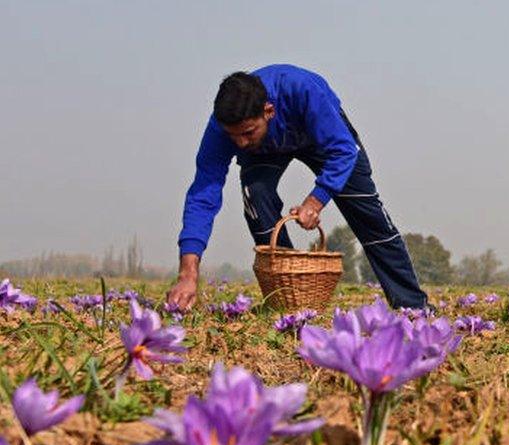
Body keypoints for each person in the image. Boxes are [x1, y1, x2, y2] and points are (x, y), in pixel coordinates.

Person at [165, 65, 428, 310]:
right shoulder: (221, 130)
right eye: (233, 136)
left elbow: (344, 151)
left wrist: (315, 201)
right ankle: (288, 302)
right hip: (266, 150)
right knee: (255, 196)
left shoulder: (304, 91)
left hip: (326, 142)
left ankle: (412, 306)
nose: (240, 143)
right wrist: (187, 273)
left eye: (247, 132)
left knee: (369, 216)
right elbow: (203, 195)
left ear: (269, 110)